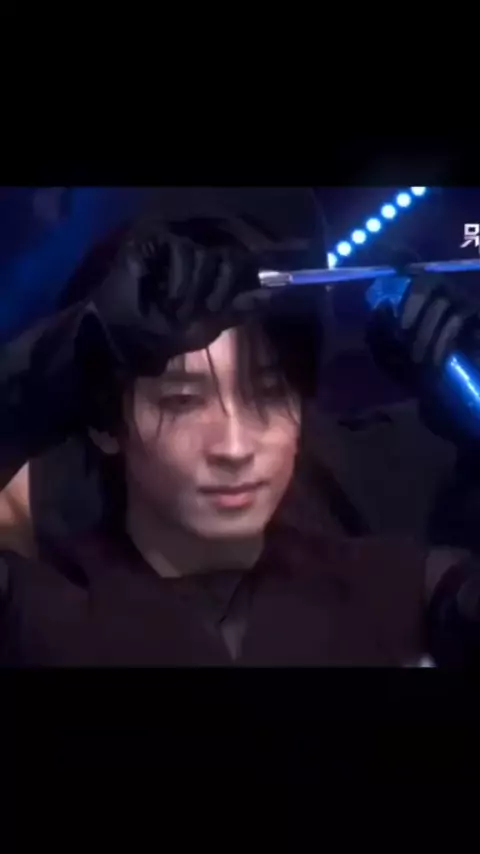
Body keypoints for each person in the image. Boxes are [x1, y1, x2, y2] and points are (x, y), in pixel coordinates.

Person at [0, 216, 474, 666]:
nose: (234, 447)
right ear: (106, 426)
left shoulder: (389, 586)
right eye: (182, 401)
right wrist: (69, 350)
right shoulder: (46, 617)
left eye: (268, 393)